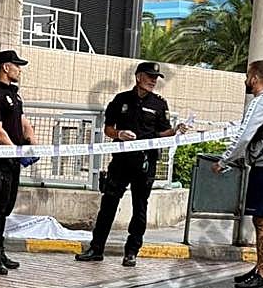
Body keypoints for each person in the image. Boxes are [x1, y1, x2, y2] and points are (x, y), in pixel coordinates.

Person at [76, 61, 186, 267]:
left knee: (140, 207)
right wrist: (119, 134)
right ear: (138, 77)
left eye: (156, 78)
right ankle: (96, 249)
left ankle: (132, 252)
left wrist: (176, 131)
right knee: (108, 204)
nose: (153, 81)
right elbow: (108, 128)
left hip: (145, 162)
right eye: (150, 77)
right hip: (121, 161)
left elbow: (163, 132)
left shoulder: (159, 104)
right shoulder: (121, 100)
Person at [212, 59, 263, 288]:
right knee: (259, 219)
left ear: (255, 78)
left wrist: (224, 160)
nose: (246, 80)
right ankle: (259, 269)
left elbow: (244, 135)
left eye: (248, 76)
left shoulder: (261, 102)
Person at [0, 50, 38, 275]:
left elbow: (23, 122)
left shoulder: (14, 95)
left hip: (12, 161)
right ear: (5, 67)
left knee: (7, 207)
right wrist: (16, 152)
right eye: (16, 65)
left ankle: (0, 250)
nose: (19, 69)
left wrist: (32, 144)